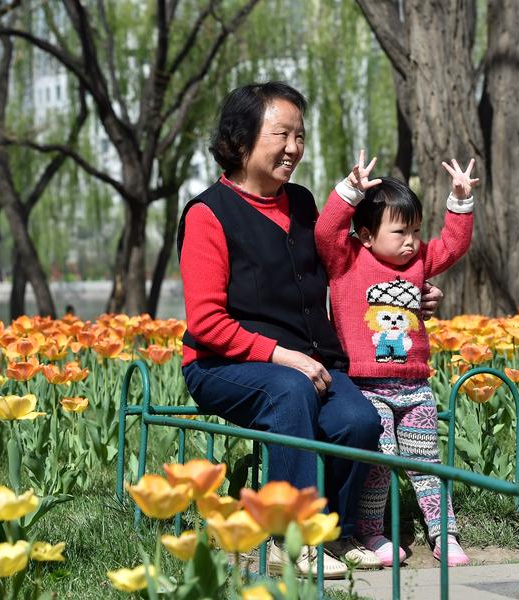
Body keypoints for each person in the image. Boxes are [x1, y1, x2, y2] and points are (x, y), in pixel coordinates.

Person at [176, 82, 444, 577]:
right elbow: (208, 323)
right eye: (282, 135)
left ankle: (331, 534)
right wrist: (281, 356)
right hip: (223, 364)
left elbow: (354, 267)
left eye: (300, 136)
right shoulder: (208, 214)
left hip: (308, 362)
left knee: (360, 419)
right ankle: (286, 538)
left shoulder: (301, 204)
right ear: (240, 142)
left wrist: (407, 292)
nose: (294, 148)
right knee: (290, 392)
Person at [315, 151, 478, 567]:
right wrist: (350, 191)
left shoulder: (419, 261)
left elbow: (454, 245)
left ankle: (446, 535)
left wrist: (460, 200)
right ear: (367, 234)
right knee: (380, 464)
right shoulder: (347, 260)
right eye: (400, 231)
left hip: (415, 385)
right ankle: (371, 534)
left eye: (416, 231)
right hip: (367, 386)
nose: (411, 241)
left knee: (426, 463)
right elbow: (325, 230)